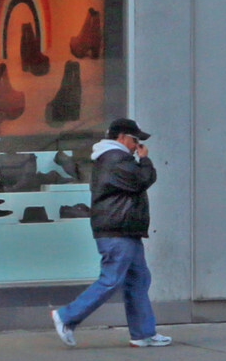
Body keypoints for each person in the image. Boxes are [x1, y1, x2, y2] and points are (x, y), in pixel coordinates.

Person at [50, 117, 170, 348]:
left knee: (138, 280)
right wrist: (144, 160)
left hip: (124, 230)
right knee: (111, 279)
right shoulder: (114, 158)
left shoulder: (114, 158)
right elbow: (142, 180)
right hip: (117, 229)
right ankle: (66, 316)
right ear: (122, 137)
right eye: (135, 140)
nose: (137, 146)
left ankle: (143, 333)